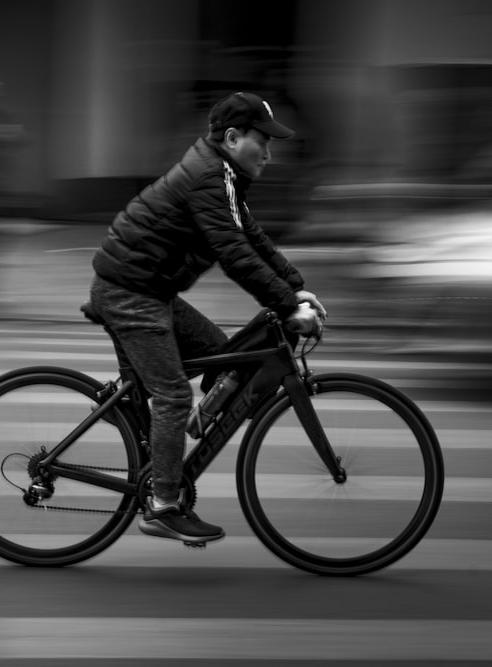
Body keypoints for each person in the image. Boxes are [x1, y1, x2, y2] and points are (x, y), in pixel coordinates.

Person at [88, 91, 327, 545]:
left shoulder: (223, 176)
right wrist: (286, 305)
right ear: (233, 137)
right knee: (173, 394)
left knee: (231, 360)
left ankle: (190, 427)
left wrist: (293, 286)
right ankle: (162, 505)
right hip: (128, 292)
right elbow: (235, 256)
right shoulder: (207, 177)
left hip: (149, 289)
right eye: (264, 141)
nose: (270, 152)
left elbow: (248, 236)